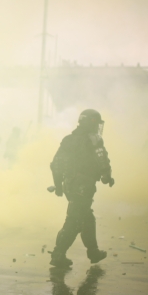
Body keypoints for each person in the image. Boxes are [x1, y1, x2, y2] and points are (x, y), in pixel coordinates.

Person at [49, 109, 113, 267]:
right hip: (84, 185)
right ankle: (58, 254)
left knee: (87, 218)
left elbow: (56, 164)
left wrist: (58, 185)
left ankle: (93, 252)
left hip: (69, 185)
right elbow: (101, 159)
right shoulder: (93, 140)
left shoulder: (68, 140)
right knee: (75, 220)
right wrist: (107, 175)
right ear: (91, 123)